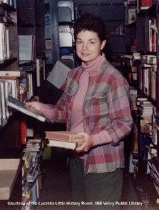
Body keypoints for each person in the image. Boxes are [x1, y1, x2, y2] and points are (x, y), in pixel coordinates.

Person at [26, 13, 133, 204]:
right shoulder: (73, 75)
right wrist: (40, 107)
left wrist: (93, 140)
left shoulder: (113, 78)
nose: (84, 48)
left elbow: (124, 124)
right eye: (79, 41)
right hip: (76, 158)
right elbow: (63, 112)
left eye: (91, 42)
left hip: (103, 163)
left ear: (102, 44)